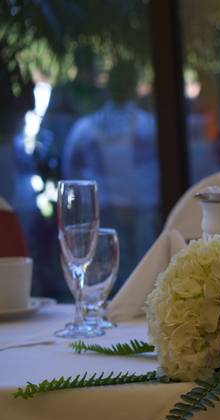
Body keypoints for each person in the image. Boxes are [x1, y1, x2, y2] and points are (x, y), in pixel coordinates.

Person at [62, 59, 159, 286]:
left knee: (140, 278)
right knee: (114, 278)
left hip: (140, 214)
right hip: (108, 216)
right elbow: (72, 178)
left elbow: (70, 171)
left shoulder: (147, 126)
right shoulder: (148, 126)